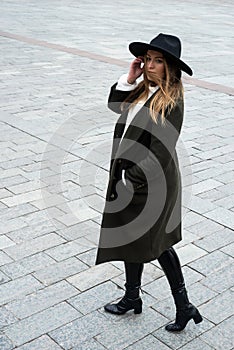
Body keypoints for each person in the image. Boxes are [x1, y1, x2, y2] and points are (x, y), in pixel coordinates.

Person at [95, 33, 203, 332]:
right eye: (148, 59)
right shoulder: (143, 90)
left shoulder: (171, 101)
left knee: (158, 244)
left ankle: (184, 306)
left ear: (170, 67)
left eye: (158, 61)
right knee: (131, 237)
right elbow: (115, 106)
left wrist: (133, 180)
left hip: (151, 183)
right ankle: (132, 298)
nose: (150, 65)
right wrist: (129, 78)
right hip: (131, 179)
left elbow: (160, 150)